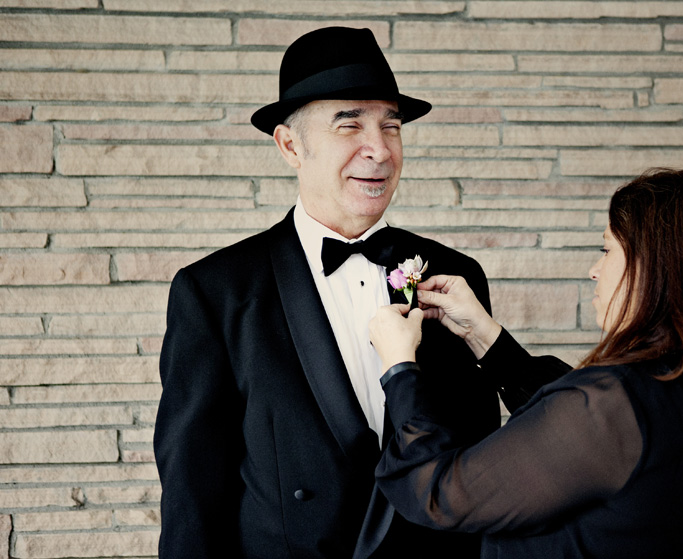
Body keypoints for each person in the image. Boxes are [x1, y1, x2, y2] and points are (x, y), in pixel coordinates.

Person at [153, 26, 499, 559]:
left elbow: (481, 466)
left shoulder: (455, 276)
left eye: (392, 126)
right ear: (291, 145)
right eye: (349, 124)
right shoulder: (214, 293)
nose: (379, 150)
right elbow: (193, 495)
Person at [368, 168, 683, 559]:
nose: (595, 270)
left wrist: (400, 367)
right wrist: (482, 333)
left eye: (608, 251)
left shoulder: (616, 402)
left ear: (657, 269)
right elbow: (575, 435)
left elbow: (438, 494)